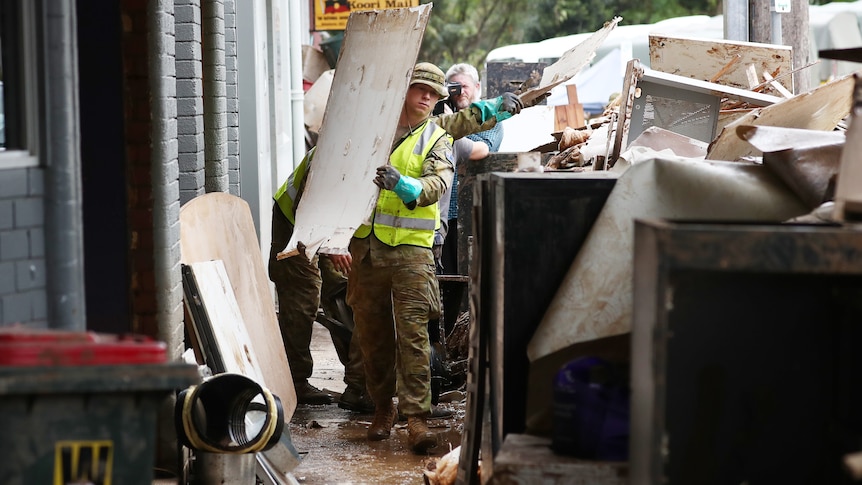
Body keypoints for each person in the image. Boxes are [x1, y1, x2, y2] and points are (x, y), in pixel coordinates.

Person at [345, 62, 524, 454]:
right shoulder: (371, 130)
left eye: (434, 92)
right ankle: (382, 409)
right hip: (367, 250)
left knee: (412, 338)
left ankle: (416, 419)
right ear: (403, 91)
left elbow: (438, 182)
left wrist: (403, 184)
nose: (426, 97)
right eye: (419, 89)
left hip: (412, 252)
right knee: (372, 338)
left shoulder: (435, 136)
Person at [269, 151, 373, 412]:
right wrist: (331, 247)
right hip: (297, 225)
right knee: (302, 297)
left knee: (343, 289)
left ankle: (358, 383)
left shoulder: (372, 147)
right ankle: (295, 380)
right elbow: (308, 209)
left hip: (334, 225)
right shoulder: (332, 153)